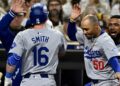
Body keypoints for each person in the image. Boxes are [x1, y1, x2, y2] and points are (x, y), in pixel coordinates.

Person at [4, 3, 66, 86]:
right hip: (48, 81)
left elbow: (13, 59)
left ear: (31, 17)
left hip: (28, 81)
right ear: (45, 16)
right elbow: (62, 53)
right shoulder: (58, 35)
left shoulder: (22, 35)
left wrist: (8, 78)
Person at [67, 4, 120, 86]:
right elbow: (72, 35)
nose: (84, 32)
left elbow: (113, 58)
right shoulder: (87, 35)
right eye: (83, 29)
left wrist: (118, 71)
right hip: (95, 82)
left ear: (96, 27)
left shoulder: (106, 40)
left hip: (108, 82)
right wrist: (72, 21)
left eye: (86, 29)